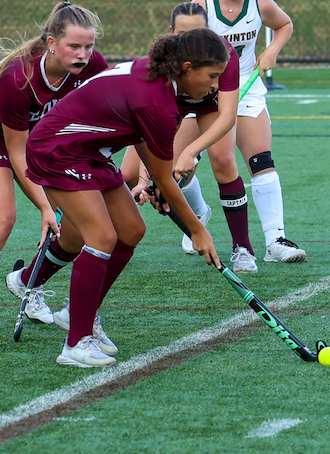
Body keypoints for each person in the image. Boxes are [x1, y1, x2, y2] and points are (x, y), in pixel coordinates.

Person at [26, 28, 227, 367]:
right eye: (212, 76)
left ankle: (81, 315)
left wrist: (164, 190)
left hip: (92, 153)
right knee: (102, 236)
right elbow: (162, 175)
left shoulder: (161, 76)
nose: (215, 85)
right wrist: (197, 230)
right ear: (188, 67)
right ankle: (76, 343)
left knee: (131, 230)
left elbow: (154, 161)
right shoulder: (157, 100)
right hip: (58, 150)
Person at [0, 3, 106, 342]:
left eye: (89, 46)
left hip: (41, 140)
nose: (84, 54)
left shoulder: (92, 67)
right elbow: (17, 151)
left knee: (75, 226)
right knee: (2, 219)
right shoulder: (20, 77)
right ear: (52, 43)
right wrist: (44, 206)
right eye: (75, 46)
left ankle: (29, 281)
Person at [187, 0, 304, 264]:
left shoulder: (260, 2)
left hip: (247, 86)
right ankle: (197, 217)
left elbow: (285, 25)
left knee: (260, 160)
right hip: (206, 93)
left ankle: (274, 241)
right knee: (182, 168)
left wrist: (271, 52)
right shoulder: (201, 6)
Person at [119, 2, 249, 269]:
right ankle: (198, 212)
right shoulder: (164, 60)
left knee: (223, 161)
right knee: (129, 174)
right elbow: (149, 130)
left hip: (211, 106)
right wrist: (146, 177)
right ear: (170, 32)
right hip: (174, 108)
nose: (189, 42)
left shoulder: (223, 53)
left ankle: (243, 248)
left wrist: (191, 151)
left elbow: (227, 115)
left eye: (197, 33)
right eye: (181, 35)